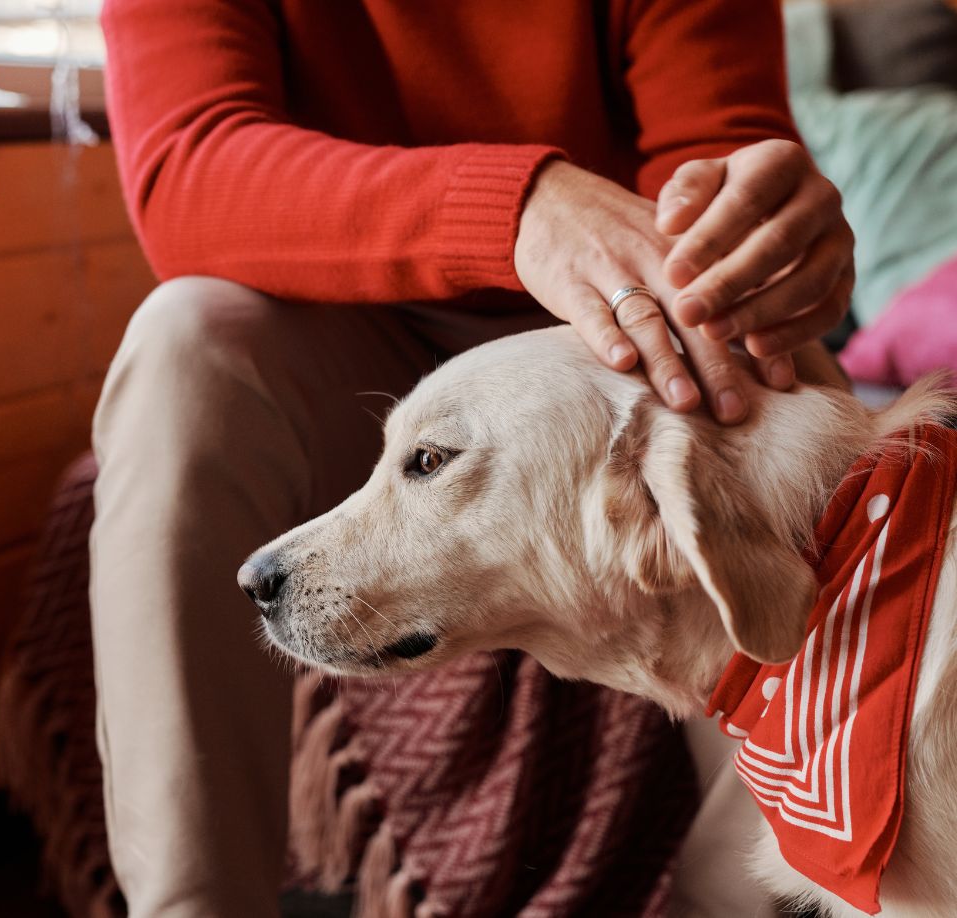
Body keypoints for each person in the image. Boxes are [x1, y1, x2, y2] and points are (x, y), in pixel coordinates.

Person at [91, 1, 853, 915]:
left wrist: (756, 238)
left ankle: (752, 887)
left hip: (605, 332)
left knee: (777, 371)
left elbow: (713, 155)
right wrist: (519, 208)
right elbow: (187, 168)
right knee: (182, 341)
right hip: (337, 309)